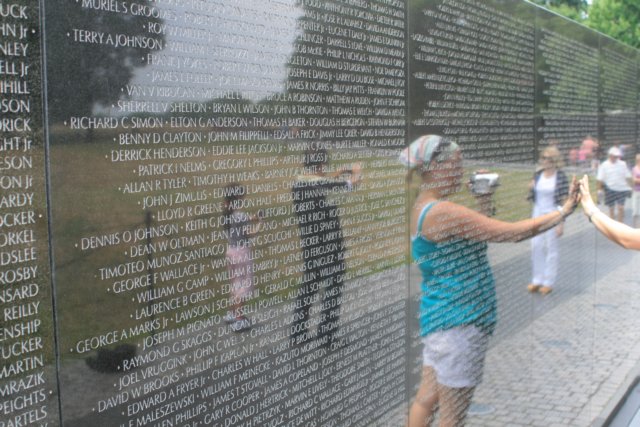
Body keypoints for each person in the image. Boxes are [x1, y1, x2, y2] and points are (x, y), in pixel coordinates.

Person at [401, 135, 578, 427]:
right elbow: (510, 233)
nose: (461, 171)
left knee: (427, 398)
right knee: (453, 416)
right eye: (456, 165)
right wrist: (563, 211)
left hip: (442, 319)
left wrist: (484, 198)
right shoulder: (443, 211)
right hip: (460, 324)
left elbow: (475, 237)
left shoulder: (426, 206)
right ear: (434, 167)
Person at [290, 142, 361, 347]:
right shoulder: (320, 184)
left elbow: (320, 183)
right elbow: (351, 184)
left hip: (311, 246)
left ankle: (298, 333)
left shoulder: (298, 183)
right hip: (330, 246)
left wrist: (336, 173)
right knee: (332, 290)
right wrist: (355, 172)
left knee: (308, 289)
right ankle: (326, 337)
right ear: (321, 162)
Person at [526, 146, 570, 295]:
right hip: (537, 212)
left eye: (549, 159)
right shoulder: (538, 174)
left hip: (553, 212)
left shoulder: (561, 177)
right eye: (544, 158)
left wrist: (561, 223)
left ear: (555, 161)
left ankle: (548, 281)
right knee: (535, 245)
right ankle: (537, 279)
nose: (546, 161)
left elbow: (564, 200)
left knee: (551, 247)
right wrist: (530, 187)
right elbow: (531, 193)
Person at [222, 183, 262, 332]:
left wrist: (252, 217)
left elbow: (239, 222)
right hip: (242, 253)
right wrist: (260, 224)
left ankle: (231, 314)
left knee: (235, 284)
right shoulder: (241, 215)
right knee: (242, 287)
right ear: (238, 197)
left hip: (231, 252)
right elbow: (249, 233)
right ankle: (239, 319)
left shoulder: (229, 213)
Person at [580, 175, 640, 250]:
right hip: (610, 191)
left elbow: (628, 239)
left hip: (618, 192)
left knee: (619, 209)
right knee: (612, 210)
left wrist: (591, 210)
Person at [596, 146, 631, 223]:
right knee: (611, 208)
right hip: (610, 189)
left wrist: (629, 186)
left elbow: (627, 176)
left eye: (617, 156)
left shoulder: (623, 164)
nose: (616, 158)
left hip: (621, 188)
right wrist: (599, 190)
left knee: (621, 207)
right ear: (610, 155)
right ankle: (613, 226)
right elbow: (600, 178)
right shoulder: (604, 165)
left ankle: (621, 225)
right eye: (614, 156)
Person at [632, 154, 640, 227]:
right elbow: (634, 180)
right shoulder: (635, 168)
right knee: (635, 211)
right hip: (637, 191)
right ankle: (635, 227)